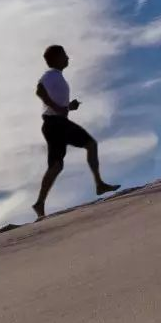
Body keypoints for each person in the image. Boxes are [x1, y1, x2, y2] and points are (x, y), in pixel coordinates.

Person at [32, 44, 120, 220]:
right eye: (64, 55)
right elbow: (39, 90)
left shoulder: (57, 78)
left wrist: (68, 107)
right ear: (56, 58)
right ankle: (99, 184)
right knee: (89, 145)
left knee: (57, 165)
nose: (68, 57)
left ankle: (40, 203)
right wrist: (58, 107)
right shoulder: (51, 75)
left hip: (57, 123)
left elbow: (56, 106)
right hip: (55, 124)